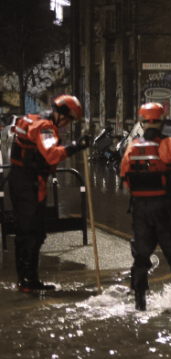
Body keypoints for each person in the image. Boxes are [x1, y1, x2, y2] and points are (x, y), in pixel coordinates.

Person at [120, 103, 171, 311]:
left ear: (141, 122)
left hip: (140, 212)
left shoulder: (131, 147)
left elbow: (125, 177)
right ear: (162, 121)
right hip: (166, 211)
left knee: (141, 257)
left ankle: (139, 301)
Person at [8, 95, 89, 292]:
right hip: (30, 184)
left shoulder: (33, 119)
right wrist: (76, 146)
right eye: (68, 120)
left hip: (21, 180)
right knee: (33, 232)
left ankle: (25, 280)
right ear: (61, 114)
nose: (67, 125)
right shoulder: (44, 127)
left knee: (26, 231)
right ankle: (29, 282)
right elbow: (51, 154)